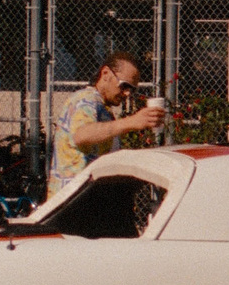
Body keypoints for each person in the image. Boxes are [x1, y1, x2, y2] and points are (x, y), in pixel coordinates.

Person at [48, 52, 166, 197]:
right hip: (72, 202)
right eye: (124, 86)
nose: (127, 93)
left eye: (132, 89)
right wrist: (131, 122)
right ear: (105, 74)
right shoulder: (86, 100)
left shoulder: (102, 108)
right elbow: (82, 134)